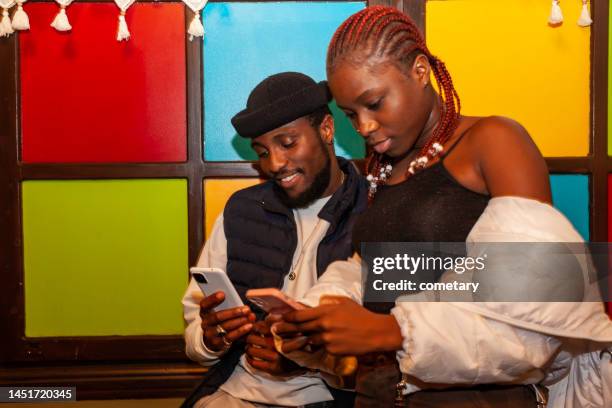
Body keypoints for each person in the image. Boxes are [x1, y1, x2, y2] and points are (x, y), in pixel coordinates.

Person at [272, 6, 612, 407]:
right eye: (350, 114)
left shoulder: (494, 141)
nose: (363, 127)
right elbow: (377, 276)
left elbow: (537, 301)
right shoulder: (383, 167)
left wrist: (394, 332)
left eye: (375, 103)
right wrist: (316, 316)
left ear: (419, 70)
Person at [180, 72, 367, 408]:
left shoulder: (375, 213)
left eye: (288, 142)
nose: (275, 163)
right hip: (230, 395)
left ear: (326, 129)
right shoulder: (241, 210)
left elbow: (399, 351)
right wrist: (211, 339)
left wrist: (310, 362)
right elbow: (194, 338)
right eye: (263, 151)